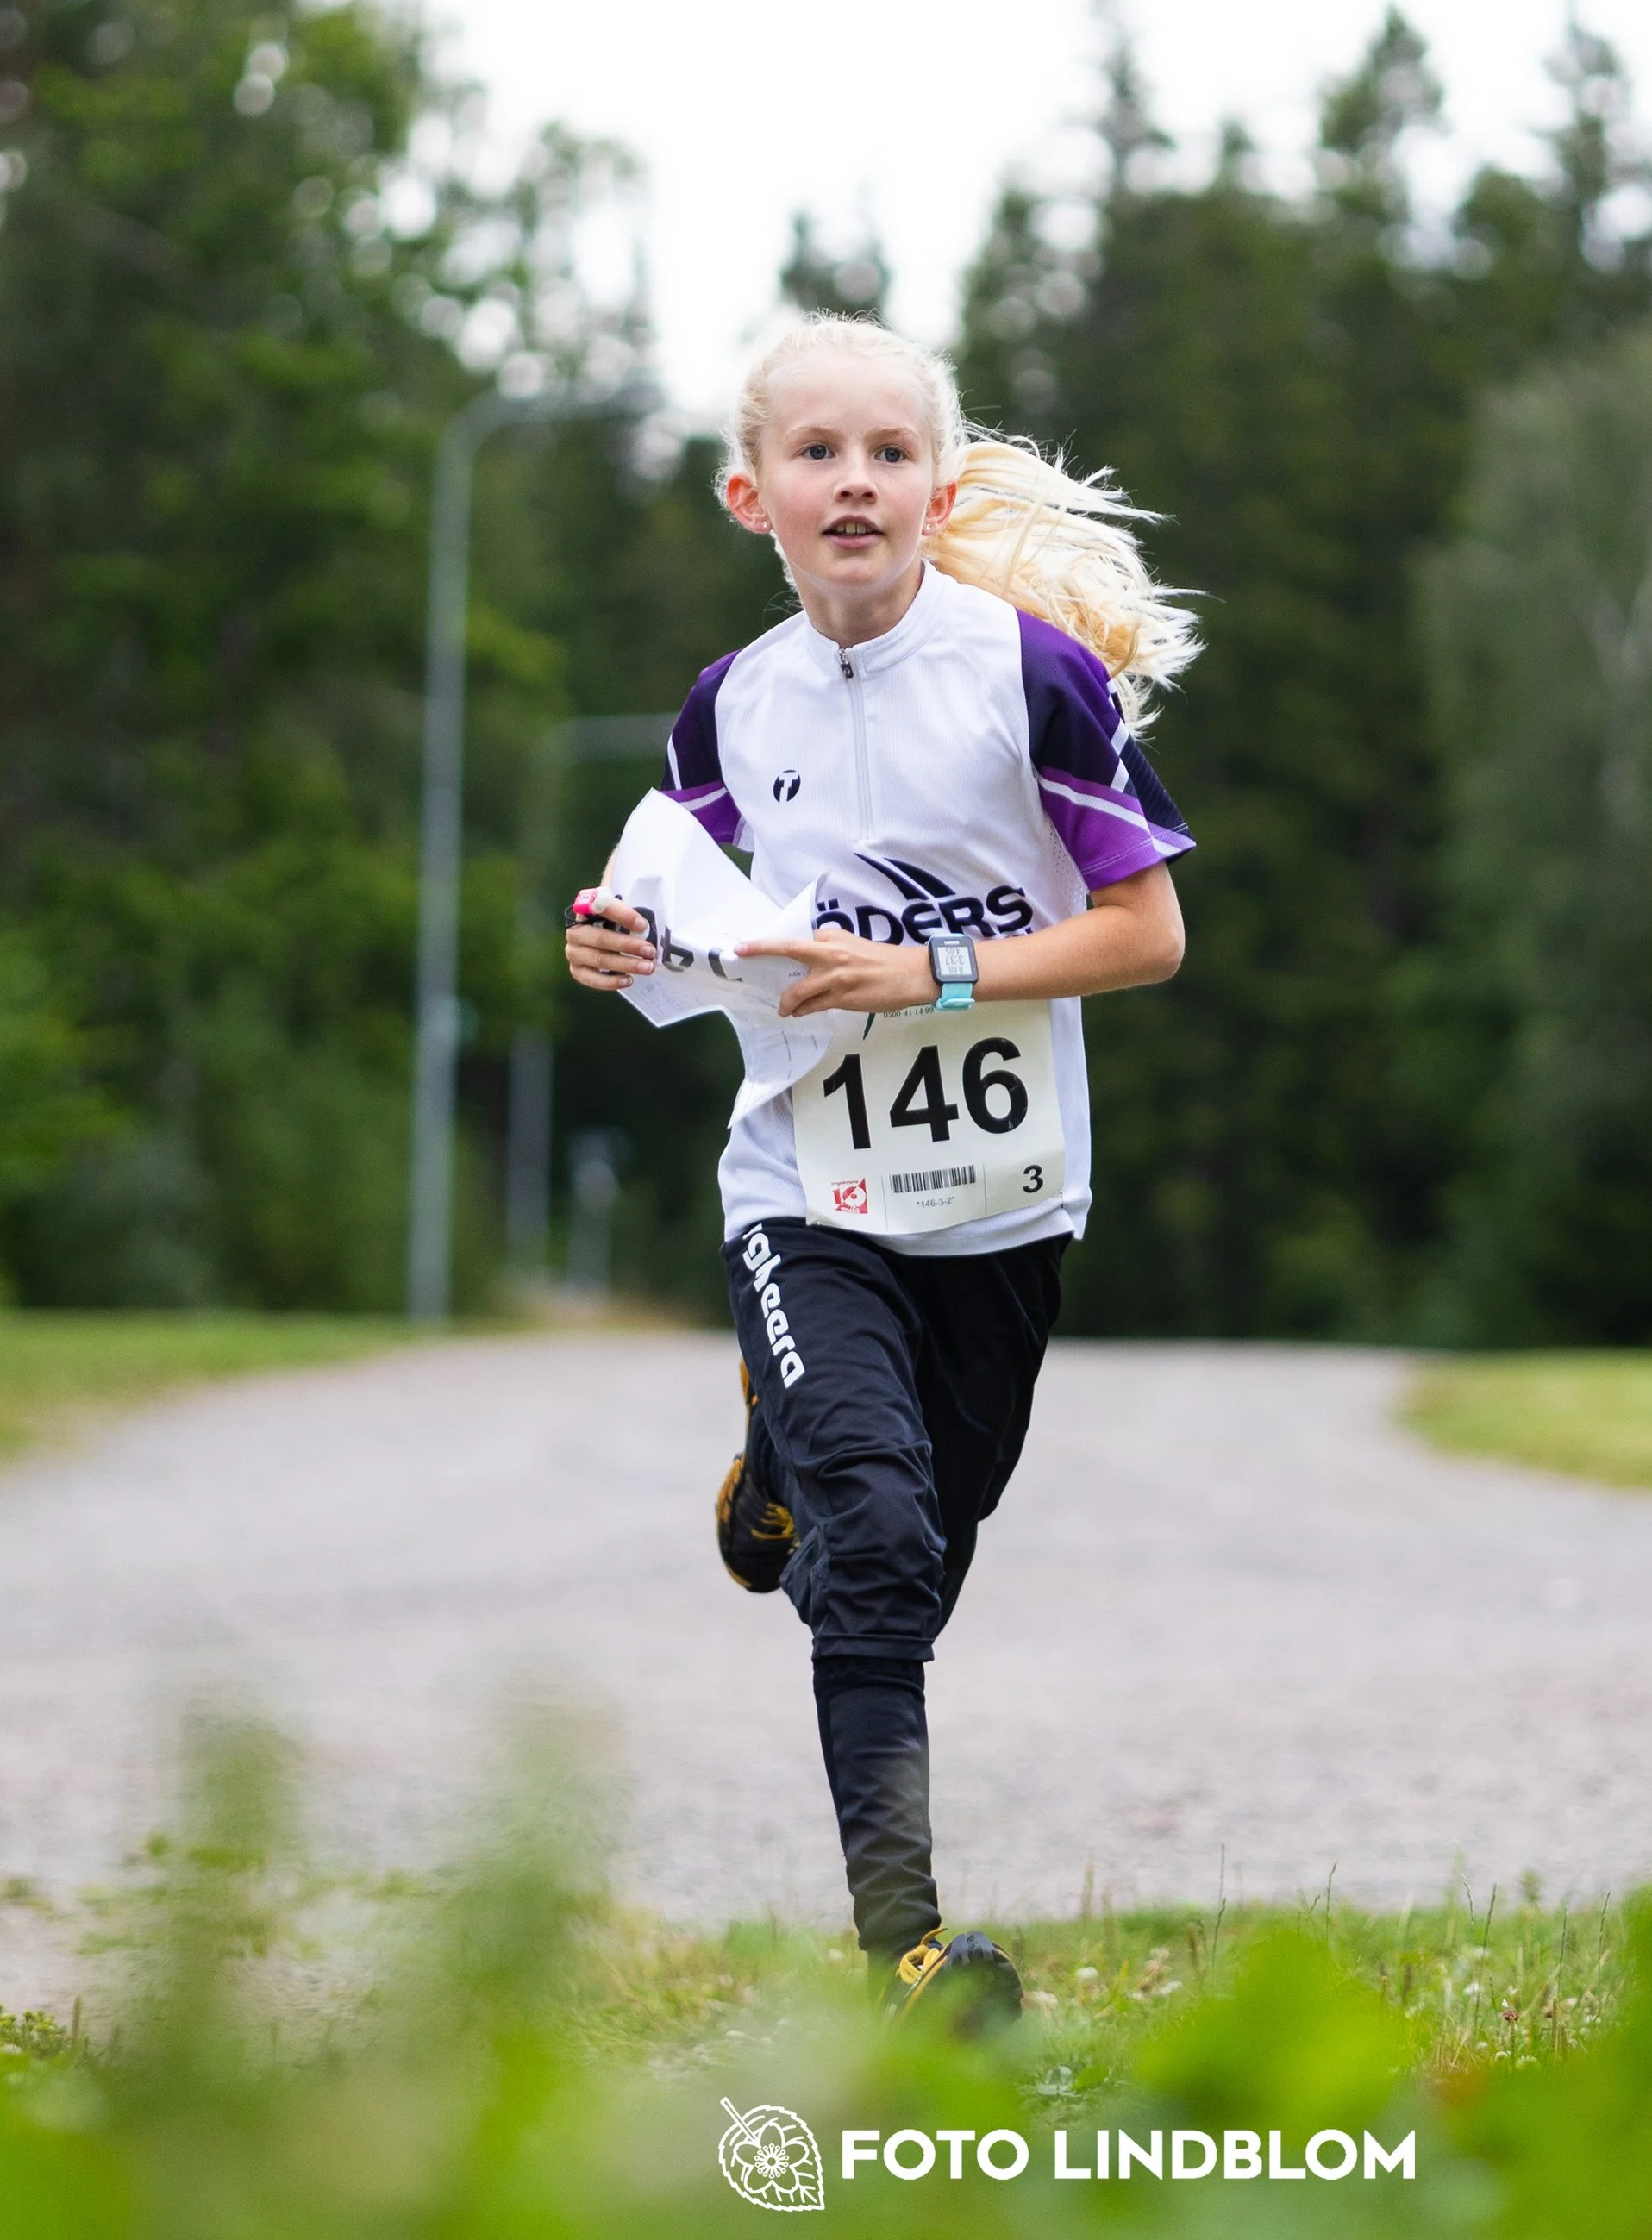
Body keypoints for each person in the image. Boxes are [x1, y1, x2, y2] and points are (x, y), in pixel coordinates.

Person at [563, 314, 1197, 2025]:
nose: (854, 480)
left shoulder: (1026, 675)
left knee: (918, 1542)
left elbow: (1146, 935)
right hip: (801, 1182)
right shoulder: (728, 703)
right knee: (879, 1533)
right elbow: (670, 899)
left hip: (1003, 1197)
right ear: (747, 491)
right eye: (817, 454)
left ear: (935, 482)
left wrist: (923, 974)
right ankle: (908, 1950)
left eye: (888, 452)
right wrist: (620, 944)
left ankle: (774, 1468)